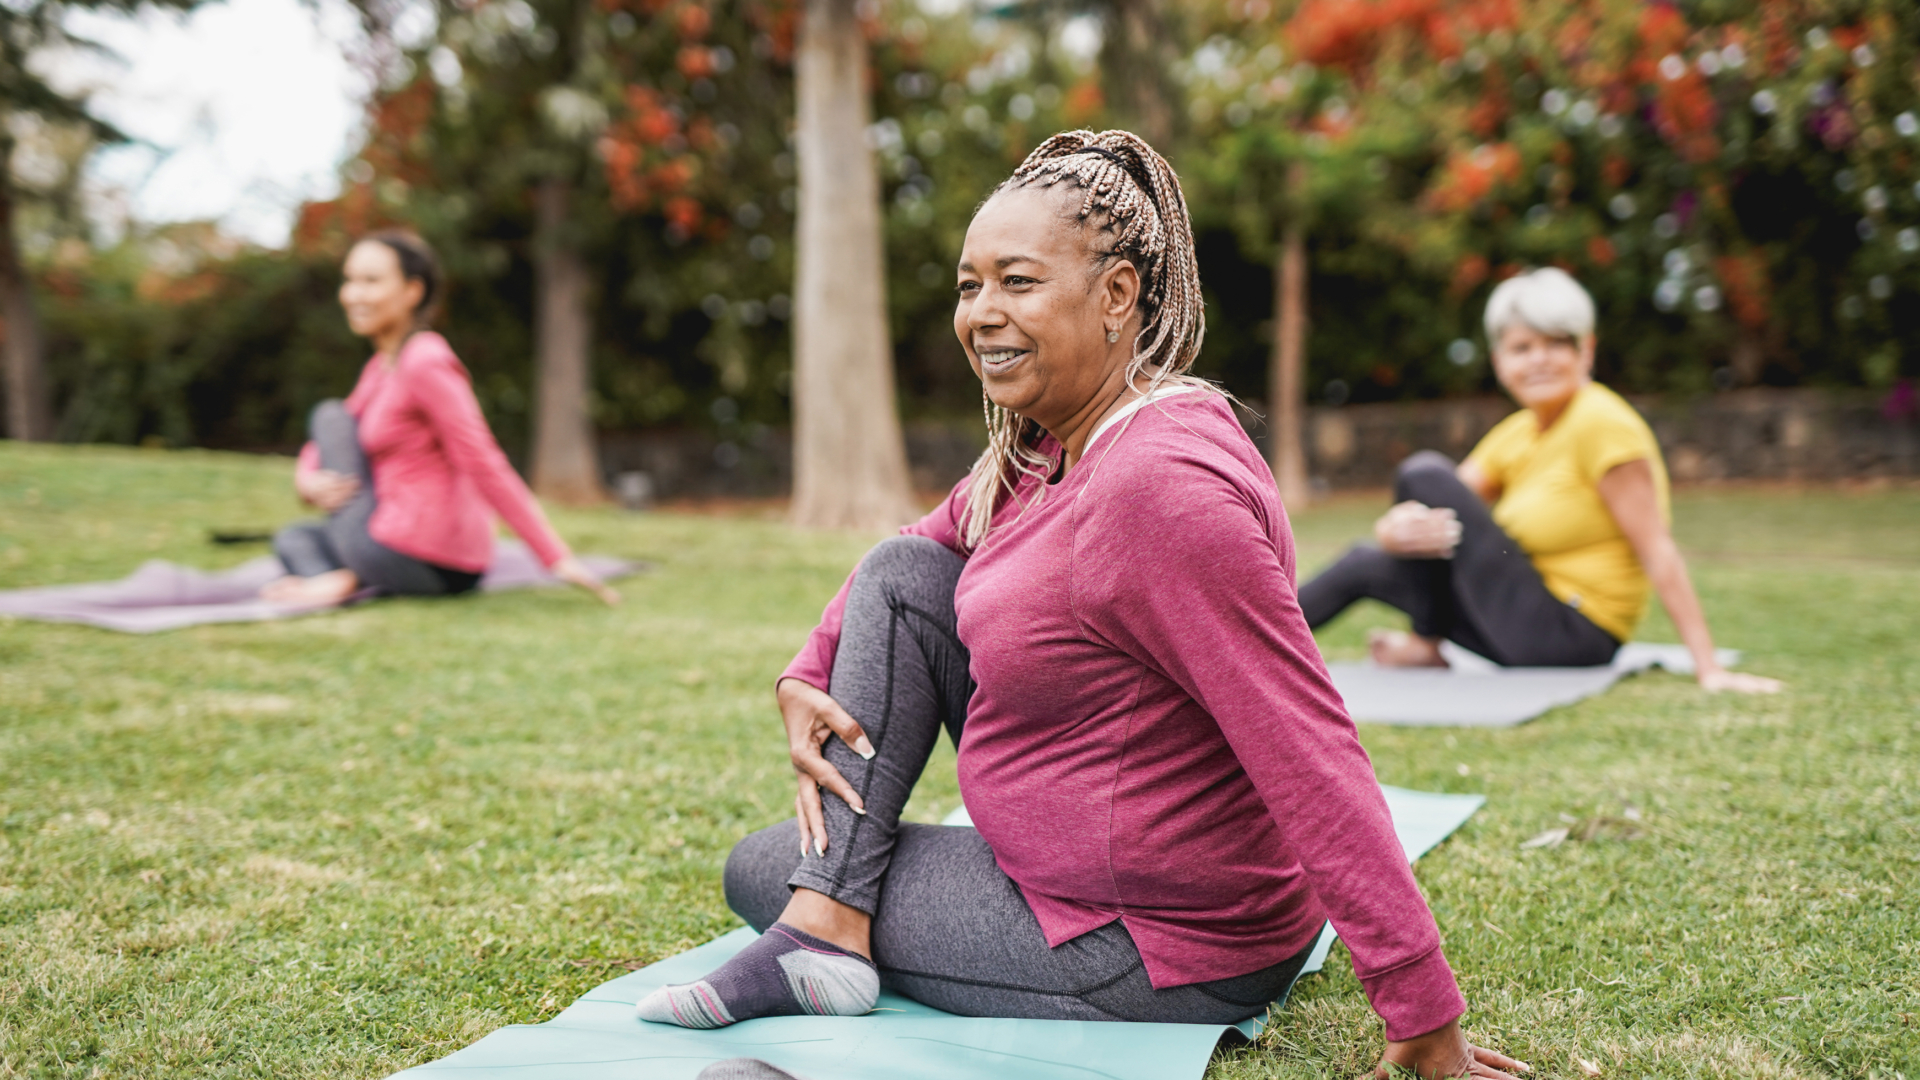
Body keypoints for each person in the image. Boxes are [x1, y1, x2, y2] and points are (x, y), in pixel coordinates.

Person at [637, 132, 1529, 1080]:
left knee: (759, 866)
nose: (982, 312)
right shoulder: (1049, 445)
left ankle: (823, 921)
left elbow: (1306, 743)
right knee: (903, 582)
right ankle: (827, 921)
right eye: (968, 285)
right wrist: (805, 670)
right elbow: (913, 552)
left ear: (1115, 296)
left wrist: (1423, 1010)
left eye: (1016, 281)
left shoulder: (1158, 487)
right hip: (1079, 884)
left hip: (1151, 944)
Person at [1295, 268, 1778, 693]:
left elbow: (1656, 547)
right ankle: (1236, 658)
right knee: (1364, 560)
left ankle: (1425, 643)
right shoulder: (1520, 432)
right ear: (1500, 360)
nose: (1539, 360)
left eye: (1556, 344)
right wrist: (1392, 531)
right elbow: (1441, 505)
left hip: (1572, 630)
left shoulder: (1602, 423)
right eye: (1522, 348)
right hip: (1516, 619)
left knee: (1421, 470)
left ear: (1586, 349)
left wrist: (1708, 668)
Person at [263, 231, 617, 608]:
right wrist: (307, 481)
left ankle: (345, 577)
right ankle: (343, 577)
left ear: (412, 291)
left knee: (328, 414)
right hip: (398, 547)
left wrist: (555, 556)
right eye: (349, 280)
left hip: (421, 554)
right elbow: (329, 439)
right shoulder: (381, 368)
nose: (353, 294)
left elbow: (483, 460)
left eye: (371, 281)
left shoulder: (424, 361)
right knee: (293, 538)